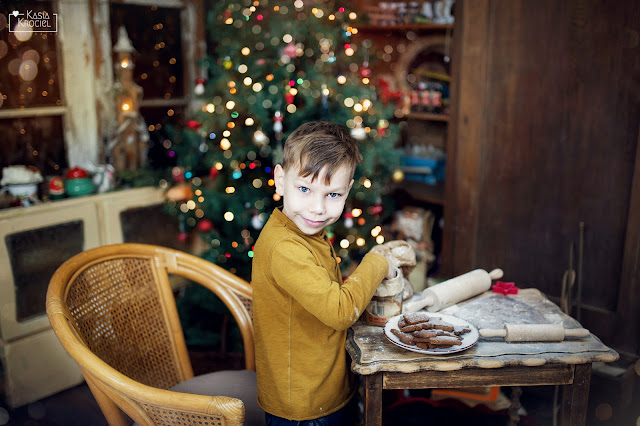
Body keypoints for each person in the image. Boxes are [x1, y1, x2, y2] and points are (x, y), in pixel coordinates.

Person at [252, 121, 397, 425]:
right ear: (280, 180)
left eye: (333, 195)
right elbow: (340, 310)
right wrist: (377, 260)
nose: (317, 208)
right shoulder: (284, 248)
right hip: (304, 407)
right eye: (304, 189)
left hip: (322, 390)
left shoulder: (304, 233)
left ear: (347, 191)